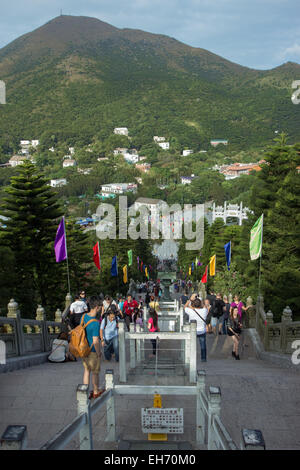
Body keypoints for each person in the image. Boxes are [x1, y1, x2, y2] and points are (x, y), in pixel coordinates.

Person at [82, 296, 104, 399]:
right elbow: (96, 341)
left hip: (84, 349)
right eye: (100, 306)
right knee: (95, 372)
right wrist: (99, 352)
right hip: (93, 351)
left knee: (86, 371)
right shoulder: (95, 323)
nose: (100, 309)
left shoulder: (84, 317)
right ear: (96, 307)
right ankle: (96, 391)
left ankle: (85, 392)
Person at [185, 298, 208, 362]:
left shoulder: (190, 311)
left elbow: (184, 307)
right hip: (202, 331)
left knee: (191, 345)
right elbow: (206, 307)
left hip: (193, 331)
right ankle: (203, 358)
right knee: (203, 345)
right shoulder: (204, 311)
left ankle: (190, 357)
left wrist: (190, 300)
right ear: (200, 304)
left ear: (193, 304)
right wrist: (202, 302)